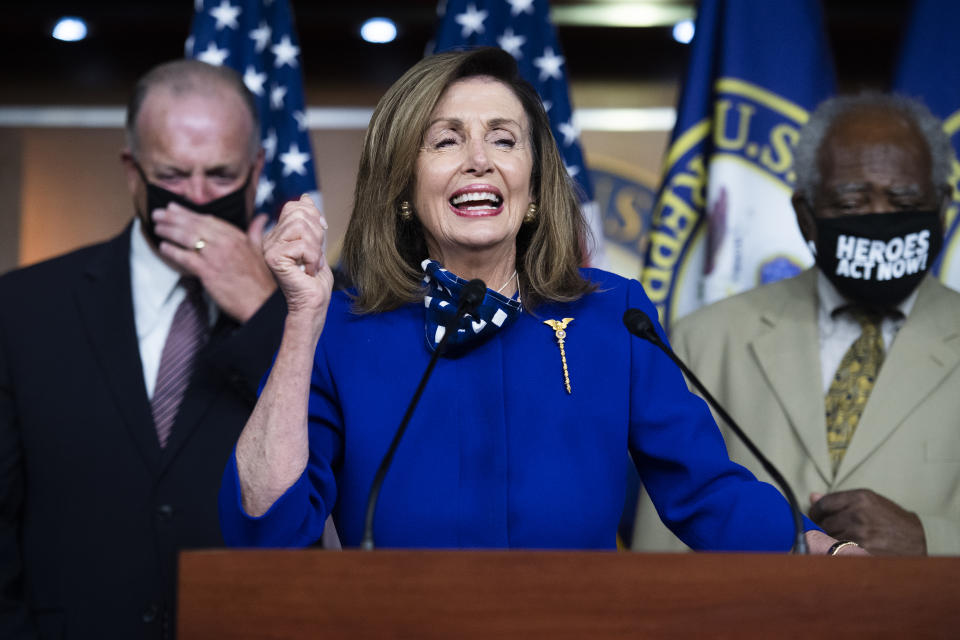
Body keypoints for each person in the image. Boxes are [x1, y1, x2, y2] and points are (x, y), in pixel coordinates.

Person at [218, 48, 859, 556]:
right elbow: (266, 530)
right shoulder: (342, 328)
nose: (479, 161)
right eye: (445, 141)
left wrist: (825, 552)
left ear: (532, 186)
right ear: (405, 189)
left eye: (503, 139)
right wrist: (302, 317)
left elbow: (707, 495)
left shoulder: (616, 318)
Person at [0, 60, 287, 639]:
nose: (199, 199)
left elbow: (333, 462)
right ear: (133, 172)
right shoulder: (22, 307)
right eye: (175, 176)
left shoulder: (304, 310)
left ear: (256, 171)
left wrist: (265, 310)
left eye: (222, 175)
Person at [632, 93, 960, 556]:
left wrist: (931, 540)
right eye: (852, 200)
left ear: (942, 208)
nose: (880, 217)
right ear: (806, 215)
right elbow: (662, 545)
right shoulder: (706, 339)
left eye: (904, 199)